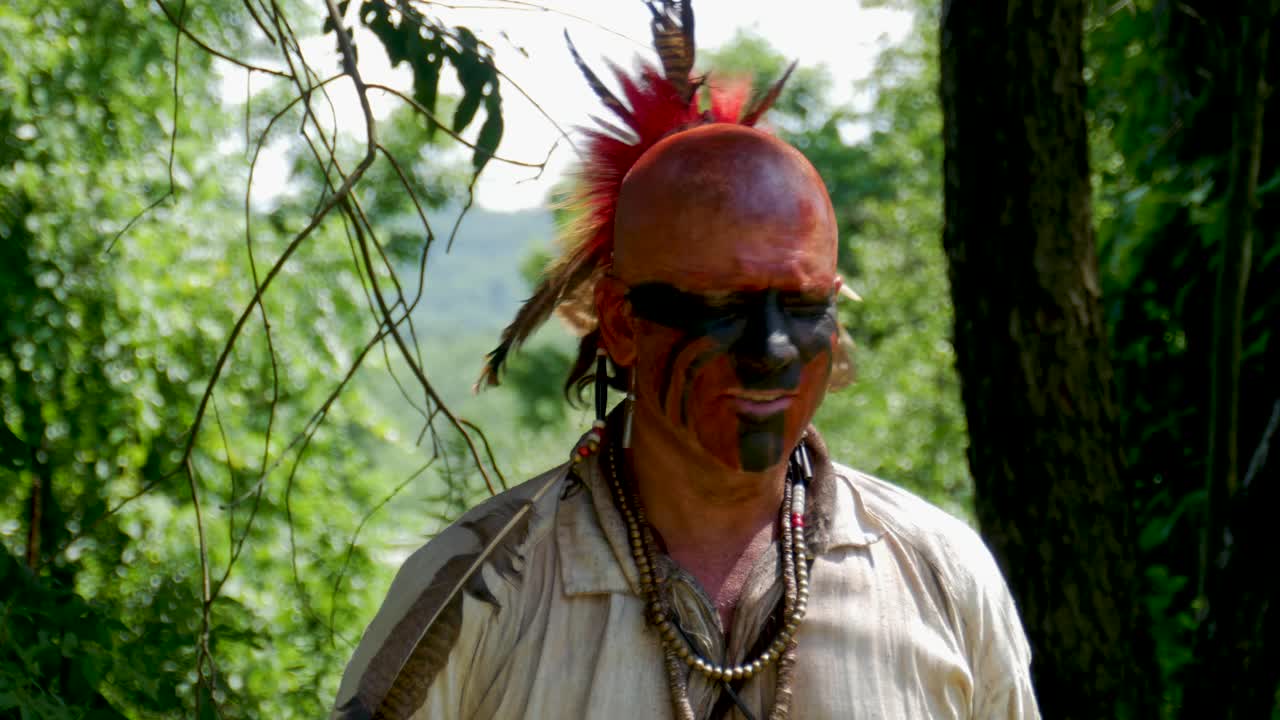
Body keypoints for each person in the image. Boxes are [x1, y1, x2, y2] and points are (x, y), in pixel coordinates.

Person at [332, 4, 1038, 718]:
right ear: (621, 323)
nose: (771, 351)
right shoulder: (479, 595)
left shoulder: (940, 579)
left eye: (799, 304)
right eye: (721, 304)